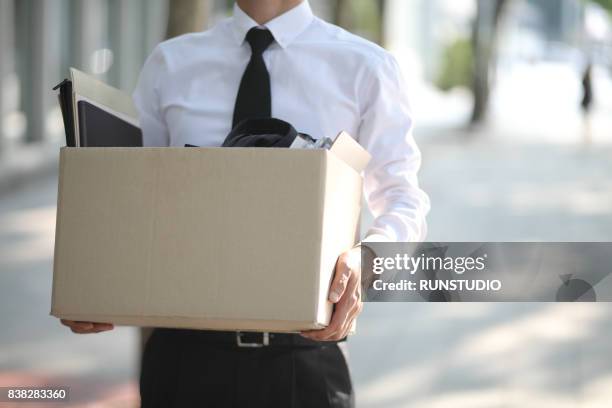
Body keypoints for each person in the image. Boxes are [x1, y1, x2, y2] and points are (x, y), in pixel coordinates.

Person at [60, 0, 430, 406]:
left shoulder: (366, 67)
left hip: (306, 359)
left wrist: (369, 259)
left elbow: (403, 199)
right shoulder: (170, 63)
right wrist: (91, 279)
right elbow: (127, 200)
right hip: (182, 358)